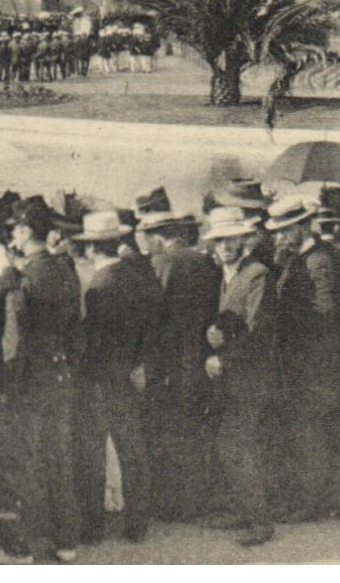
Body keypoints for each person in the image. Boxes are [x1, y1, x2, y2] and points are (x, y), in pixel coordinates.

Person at [0, 201, 83, 564]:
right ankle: (66, 541)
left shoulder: (24, 278)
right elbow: (76, 326)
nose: (12, 235)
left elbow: (14, 336)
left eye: (15, 229)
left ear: (24, 231)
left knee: (25, 459)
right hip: (61, 370)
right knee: (59, 456)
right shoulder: (65, 269)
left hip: (30, 376)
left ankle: (27, 542)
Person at [72, 210, 158, 543]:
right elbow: (151, 326)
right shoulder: (137, 277)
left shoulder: (98, 287)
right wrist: (138, 361)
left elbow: (93, 340)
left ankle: (92, 527)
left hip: (98, 378)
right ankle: (138, 524)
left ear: (93, 248)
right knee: (132, 449)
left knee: (92, 452)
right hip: (129, 372)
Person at [264, 194, 340, 521]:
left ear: (303, 227)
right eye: (278, 232)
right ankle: (308, 498)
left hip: (314, 364)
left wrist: (286, 320)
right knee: (303, 431)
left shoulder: (318, 261)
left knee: (309, 433)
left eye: (285, 230)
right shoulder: (298, 258)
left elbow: (325, 313)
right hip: (300, 362)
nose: (280, 237)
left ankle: (311, 504)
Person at [134, 197, 218, 523]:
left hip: (170, 361)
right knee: (195, 428)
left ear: (157, 236)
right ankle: (197, 500)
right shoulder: (205, 262)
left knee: (169, 430)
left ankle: (173, 504)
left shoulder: (162, 264)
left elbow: (153, 316)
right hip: (201, 355)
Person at [202, 205, 278, 547]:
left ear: (244, 240)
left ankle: (260, 522)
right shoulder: (227, 276)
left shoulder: (257, 274)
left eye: (231, 239)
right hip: (234, 379)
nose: (225, 246)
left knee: (235, 445)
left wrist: (224, 359)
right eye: (219, 240)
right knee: (233, 446)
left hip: (251, 378)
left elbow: (258, 332)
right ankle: (244, 511)